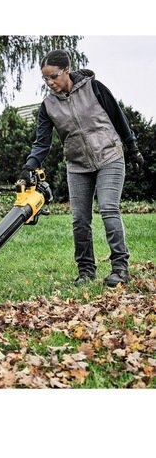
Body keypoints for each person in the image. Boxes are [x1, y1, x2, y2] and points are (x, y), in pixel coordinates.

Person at [19, 49, 144, 287]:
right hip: (77, 165)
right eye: (45, 78)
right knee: (80, 219)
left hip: (109, 156)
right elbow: (42, 143)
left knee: (108, 208)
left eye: (53, 76)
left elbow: (119, 118)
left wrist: (133, 148)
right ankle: (86, 271)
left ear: (66, 70)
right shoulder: (48, 106)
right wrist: (30, 165)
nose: (49, 82)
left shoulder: (94, 88)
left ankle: (120, 268)